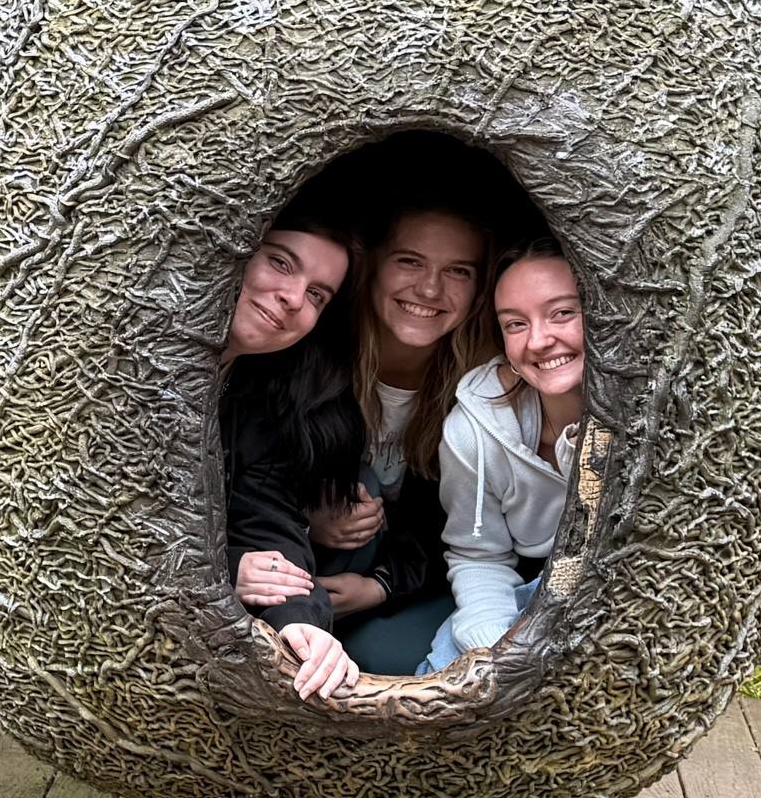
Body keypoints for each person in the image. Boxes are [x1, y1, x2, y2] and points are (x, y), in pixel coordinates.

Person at [238, 203, 493, 691]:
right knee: (361, 482)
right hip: (300, 572)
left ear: (479, 289)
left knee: (384, 659)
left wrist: (381, 586)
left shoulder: (483, 390)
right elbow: (255, 490)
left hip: (409, 581)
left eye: (457, 271)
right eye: (409, 261)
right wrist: (311, 518)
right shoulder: (303, 355)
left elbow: (474, 534)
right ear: (370, 265)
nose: (430, 289)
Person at [417, 244, 587, 673]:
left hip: (607, 594)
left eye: (562, 313)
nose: (539, 340)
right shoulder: (474, 428)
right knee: (444, 677)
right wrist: (492, 651)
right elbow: (479, 555)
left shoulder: (646, 421)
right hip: (522, 591)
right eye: (516, 323)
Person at [217, 208, 365, 701]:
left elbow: (266, 515)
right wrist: (223, 567)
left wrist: (301, 622)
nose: (293, 298)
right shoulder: (121, 369)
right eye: (280, 263)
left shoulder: (257, 390)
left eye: (318, 294)